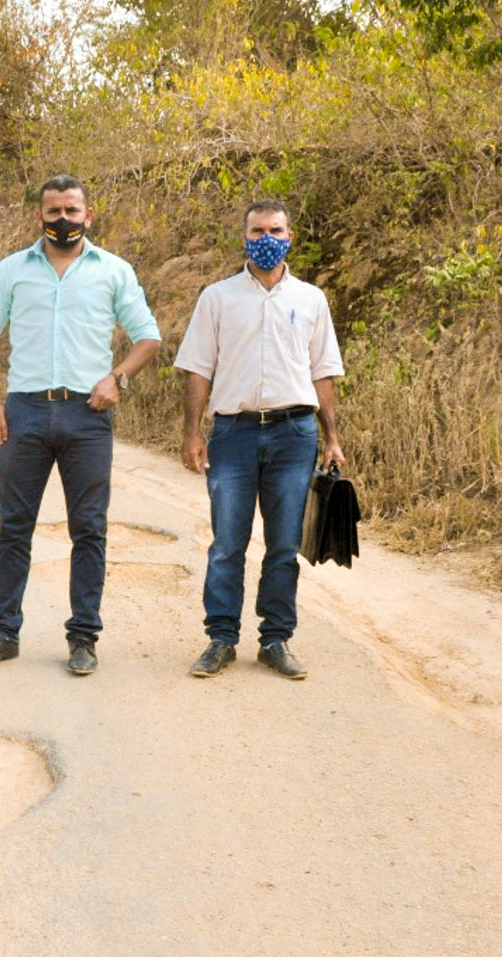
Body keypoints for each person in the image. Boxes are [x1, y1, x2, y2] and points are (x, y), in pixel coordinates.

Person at [0, 175, 163, 676]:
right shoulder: (12, 270)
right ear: (40, 217)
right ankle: (2, 633)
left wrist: (116, 377)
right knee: (13, 528)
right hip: (23, 413)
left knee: (89, 530)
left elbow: (147, 337)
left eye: (72, 211)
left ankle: (83, 638)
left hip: (88, 415)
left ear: (88, 216)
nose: (63, 221)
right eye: (54, 212)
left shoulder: (113, 271)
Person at [173, 199, 346, 680]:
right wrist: (192, 433)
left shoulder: (311, 299)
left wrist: (332, 439)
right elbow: (198, 369)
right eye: (256, 231)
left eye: (275, 229)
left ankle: (275, 640)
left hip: (295, 435)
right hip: (233, 434)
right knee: (227, 542)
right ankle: (221, 639)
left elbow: (324, 372)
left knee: (283, 544)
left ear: (290, 236)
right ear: (243, 237)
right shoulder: (218, 297)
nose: (265, 238)